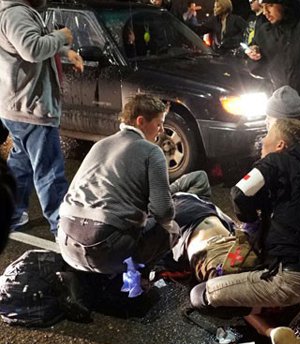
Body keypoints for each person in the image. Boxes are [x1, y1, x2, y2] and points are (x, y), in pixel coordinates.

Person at [189, 118, 300, 344]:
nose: (261, 142)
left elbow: (239, 193)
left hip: (289, 281)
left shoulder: (276, 160)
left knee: (200, 295)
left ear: (280, 144)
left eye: (266, 135)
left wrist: (252, 220)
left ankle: (267, 316)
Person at [58, 95, 176, 276]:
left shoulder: (100, 144)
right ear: (141, 121)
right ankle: (139, 284)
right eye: (158, 124)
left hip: (66, 243)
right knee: (171, 228)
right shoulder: (152, 152)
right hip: (106, 249)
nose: (161, 131)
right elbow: (163, 212)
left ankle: (95, 280)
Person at [0, 0, 83, 236]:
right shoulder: (16, 14)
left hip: (19, 106)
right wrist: (60, 36)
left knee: (21, 163)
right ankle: (61, 227)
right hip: (30, 108)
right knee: (50, 171)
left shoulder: (17, 12)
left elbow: (33, 44)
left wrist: (66, 52)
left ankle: (13, 214)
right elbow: (32, 49)